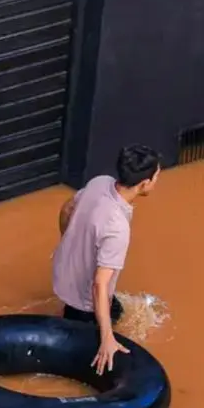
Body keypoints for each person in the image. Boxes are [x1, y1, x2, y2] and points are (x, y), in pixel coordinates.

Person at [53, 144, 161, 374]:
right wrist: (107, 337)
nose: (157, 181)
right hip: (83, 300)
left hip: (62, 272)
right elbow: (99, 284)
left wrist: (67, 242)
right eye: (156, 177)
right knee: (90, 342)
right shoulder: (117, 228)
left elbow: (67, 208)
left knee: (116, 310)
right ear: (144, 183)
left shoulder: (99, 182)